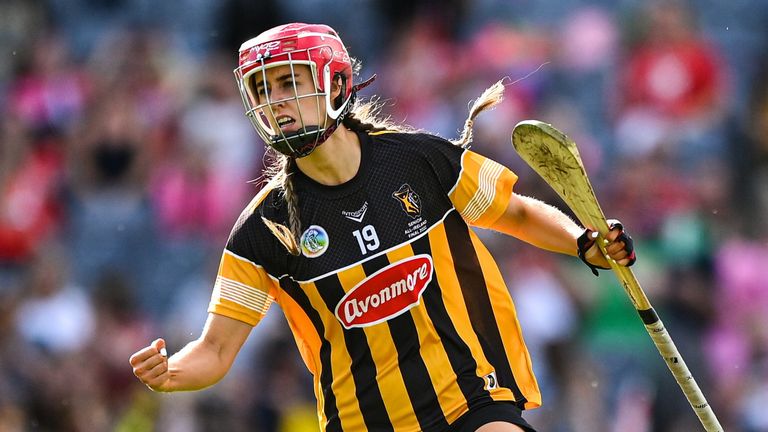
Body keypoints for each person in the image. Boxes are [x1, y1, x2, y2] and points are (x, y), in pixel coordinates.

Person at [129, 23, 636, 432]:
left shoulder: (418, 161)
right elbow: (216, 350)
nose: (274, 101)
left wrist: (583, 244)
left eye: (288, 83)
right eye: (261, 89)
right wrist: (170, 373)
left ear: (335, 85)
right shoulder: (262, 230)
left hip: (471, 398)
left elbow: (515, 213)